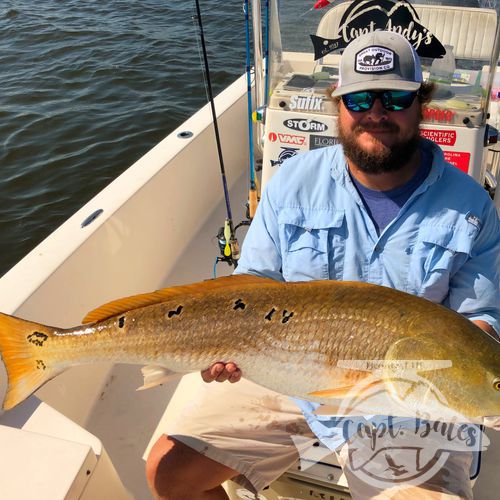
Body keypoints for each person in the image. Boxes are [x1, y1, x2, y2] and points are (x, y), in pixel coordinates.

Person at [145, 31, 500, 500]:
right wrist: (222, 348)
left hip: (403, 398)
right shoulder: (292, 183)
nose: (376, 113)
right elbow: (253, 287)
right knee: (169, 473)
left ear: (422, 106)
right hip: (285, 370)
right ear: (339, 106)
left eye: (395, 98)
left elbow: (480, 321)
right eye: (359, 99)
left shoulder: (470, 207)